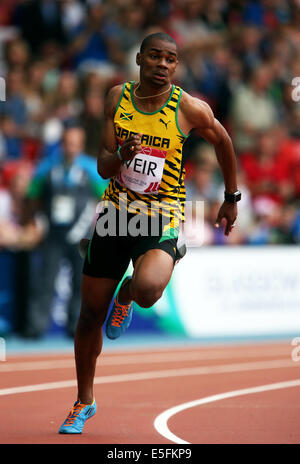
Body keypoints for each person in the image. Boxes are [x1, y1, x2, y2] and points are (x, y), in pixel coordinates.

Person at [58, 32, 241, 434]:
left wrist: (231, 197)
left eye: (170, 59)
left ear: (176, 66)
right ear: (139, 58)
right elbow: (105, 166)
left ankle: (129, 291)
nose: (162, 64)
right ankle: (83, 401)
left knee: (147, 290)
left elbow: (223, 141)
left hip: (161, 217)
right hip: (115, 215)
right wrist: (121, 155)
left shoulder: (189, 108)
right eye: (155, 56)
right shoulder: (116, 99)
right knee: (89, 315)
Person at [22, 126, 107, 338]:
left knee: (80, 283)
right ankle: (35, 327)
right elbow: (32, 195)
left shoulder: (90, 168)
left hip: (82, 235)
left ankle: (76, 327)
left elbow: (105, 198)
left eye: (75, 144)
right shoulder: (47, 166)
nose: (71, 148)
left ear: (81, 145)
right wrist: (33, 220)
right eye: (67, 143)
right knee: (45, 281)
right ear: (62, 144)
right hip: (53, 233)